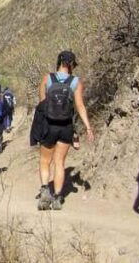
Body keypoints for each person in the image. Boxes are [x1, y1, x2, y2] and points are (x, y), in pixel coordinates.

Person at [36, 51, 94, 210]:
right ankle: (57, 197)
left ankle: (44, 192)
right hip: (66, 127)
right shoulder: (76, 82)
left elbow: (42, 104)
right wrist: (88, 127)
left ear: (59, 62)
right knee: (59, 163)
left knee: (45, 161)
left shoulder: (47, 79)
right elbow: (80, 106)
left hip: (49, 125)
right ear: (72, 64)